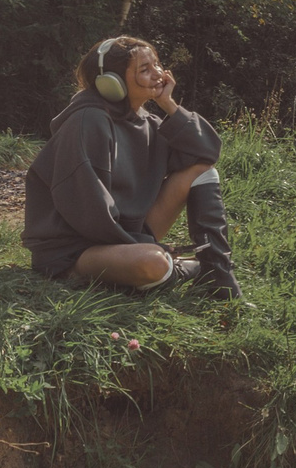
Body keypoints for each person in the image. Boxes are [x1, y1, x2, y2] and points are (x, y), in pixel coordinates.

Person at [22, 35, 237, 296]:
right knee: (152, 263)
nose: (158, 74)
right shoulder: (88, 120)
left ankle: (216, 273)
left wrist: (169, 105)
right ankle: (182, 269)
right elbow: (88, 213)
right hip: (75, 248)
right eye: (144, 70)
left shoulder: (151, 124)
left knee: (200, 172)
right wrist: (142, 245)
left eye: (157, 64)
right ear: (111, 82)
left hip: (125, 237)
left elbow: (207, 153)